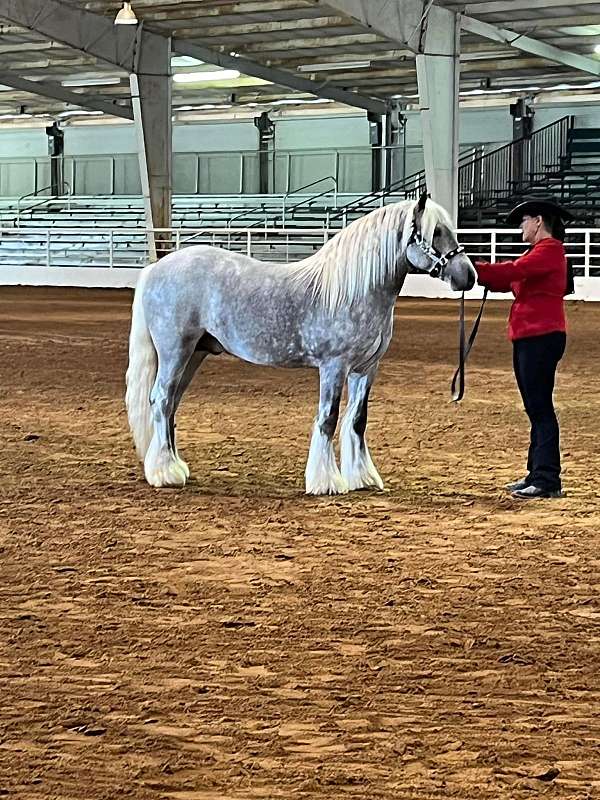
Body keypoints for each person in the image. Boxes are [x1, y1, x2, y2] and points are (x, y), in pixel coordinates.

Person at [474, 198, 573, 500]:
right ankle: (537, 473)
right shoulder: (541, 253)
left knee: (540, 408)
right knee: (536, 407)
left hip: (540, 336)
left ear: (538, 221)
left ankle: (546, 479)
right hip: (533, 336)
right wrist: (477, 273)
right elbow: (508, 281)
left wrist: (469, 266)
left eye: (524, 220)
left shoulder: (549, 251)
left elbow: (510, 272)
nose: (521, 226)